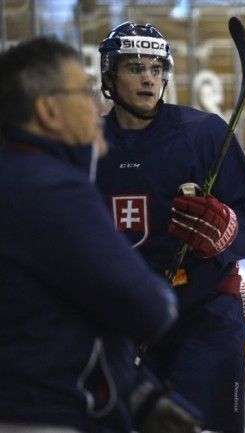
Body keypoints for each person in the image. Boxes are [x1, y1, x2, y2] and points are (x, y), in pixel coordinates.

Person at [96, 22, 245, 433]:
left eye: (157, 68)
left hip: (204, 314)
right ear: (109, 75)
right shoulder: (87, 144)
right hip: (124, 320)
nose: (148, 77)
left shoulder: (203, 133)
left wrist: (226, 232)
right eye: (135, 66)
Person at [0, 37, 180, 433]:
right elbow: (149, 309)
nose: (98, 105)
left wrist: (136, 389)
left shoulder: (16, 177)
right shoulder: (52, 189)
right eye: (82, 92)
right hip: (52, 415)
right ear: (48, 111)